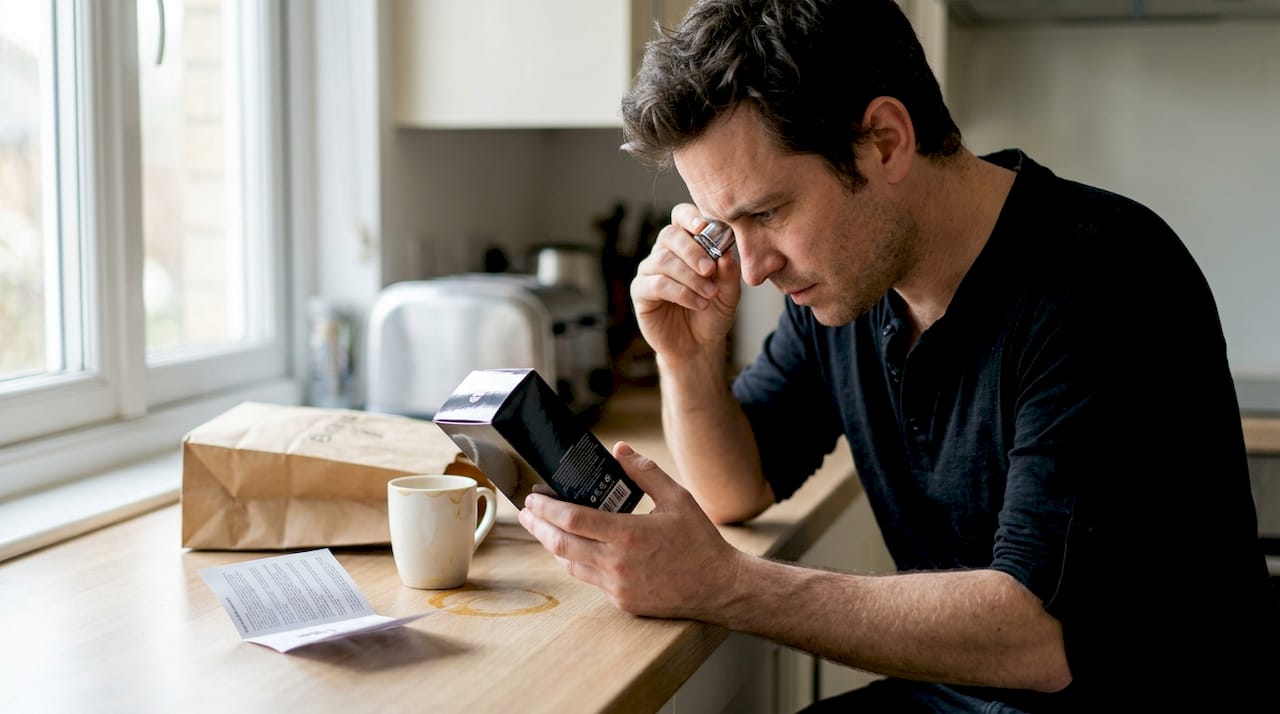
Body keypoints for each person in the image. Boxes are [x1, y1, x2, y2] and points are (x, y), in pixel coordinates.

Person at [516, 0, 1278, 710]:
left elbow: (1039, 637)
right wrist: (686, 358)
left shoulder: (1103, 277)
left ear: (884, 141)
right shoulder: (849, 284)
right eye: (726, 228)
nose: (752, 269)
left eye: (768, 212)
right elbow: (736, 488)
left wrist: (725, 585)